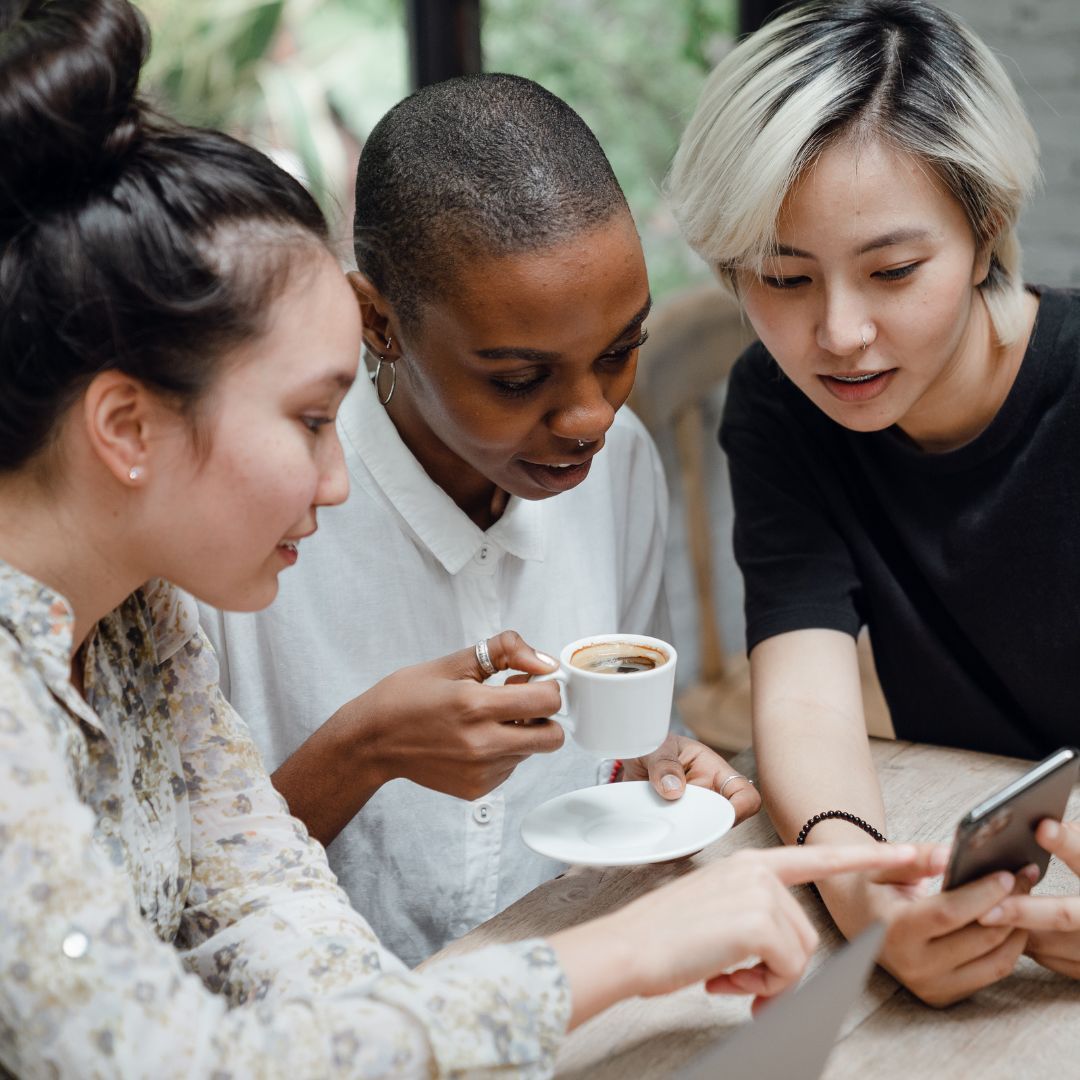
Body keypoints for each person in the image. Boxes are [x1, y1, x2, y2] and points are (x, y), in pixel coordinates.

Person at [0, 1, 940, 1074]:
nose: (342, 473)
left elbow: (263, 912)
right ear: (125, 426)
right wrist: (618, 957)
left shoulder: (137, 627)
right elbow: (163, 1054)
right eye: (314, 417)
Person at [200, 73, 760, 966]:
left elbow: (620, 759)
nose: (591, 419)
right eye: (516, 380)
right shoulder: (248, 524)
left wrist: (658, 766)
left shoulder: (623, 472)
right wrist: (360, 751)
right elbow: (172, 907)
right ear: (376, 321)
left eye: (621, 353)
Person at [667, 0, 1080, 1006]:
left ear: (986, 234)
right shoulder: (779, 403)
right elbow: (805, 690)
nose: (840, 334)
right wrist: (864, 897)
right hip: (978, 846)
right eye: (783, 278)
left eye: (893, 271)